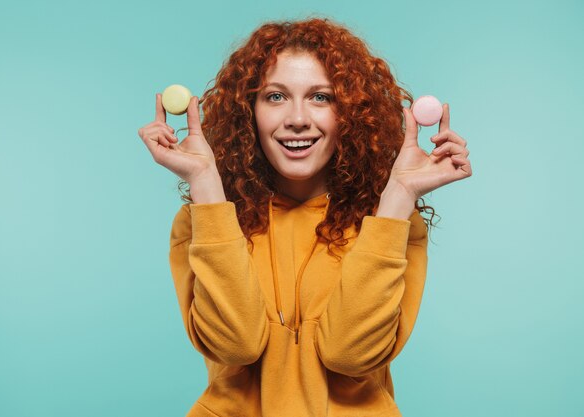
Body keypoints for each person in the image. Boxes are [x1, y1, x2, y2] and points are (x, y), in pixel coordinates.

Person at [137, 17, 471, 417]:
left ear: (349, 112)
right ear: (249, 111)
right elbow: (236, 344)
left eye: (321, 97)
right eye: (275, 97)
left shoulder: (393, 223)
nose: (297, 118)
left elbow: (349, 354)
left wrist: (399, 196)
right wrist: (205, 183)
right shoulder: (204, 221)